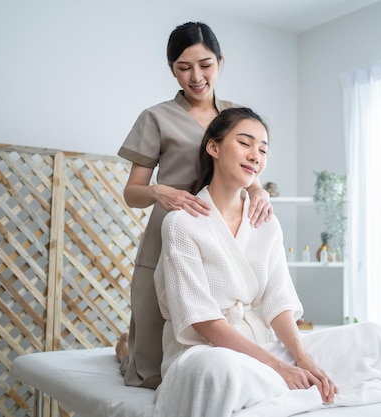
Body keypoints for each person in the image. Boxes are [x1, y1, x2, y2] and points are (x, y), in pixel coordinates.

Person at [151, 107, 381, 417]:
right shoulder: (182, 223)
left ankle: (278, 381)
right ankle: (130, 350)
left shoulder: (264, 221)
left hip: (260, 346)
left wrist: (303, 359)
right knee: (219, 370)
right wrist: (279, 368)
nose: (255, 155)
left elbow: (277, 301)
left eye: (263, 149)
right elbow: (204, 321)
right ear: (214, 147)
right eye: (245, 143)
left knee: (369, 336)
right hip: (205, 352)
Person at [115, 22, 272, 389]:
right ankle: (125, 352)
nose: (196, 76)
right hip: (170, 233)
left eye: (205, 65)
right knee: (149, 373)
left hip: (221, 237)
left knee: (207, 346)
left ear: (219, 62)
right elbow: (132, 192)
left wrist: (260, 191)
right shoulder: (156, 117)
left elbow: (251, 166)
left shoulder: (235, 115)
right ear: (172, 69)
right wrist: (159, 192)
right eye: (184, 67)